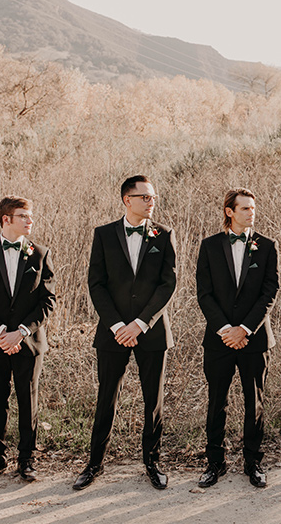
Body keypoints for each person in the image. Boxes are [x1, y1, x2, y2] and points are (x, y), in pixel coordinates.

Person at [73, 175, 176, 491]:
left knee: (153, 401)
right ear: (126, 200)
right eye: (144, 197)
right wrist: (118, 325)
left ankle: (153, 463)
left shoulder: (164, 234)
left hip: (151, 330)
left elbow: (167, 283)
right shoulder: (103, 235)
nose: (150, 202)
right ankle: (94, 464)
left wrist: (141, 323)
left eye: (153, 197)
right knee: (106, 397)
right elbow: (96, 284)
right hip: (112, 332)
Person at [0, 196, 54, 484]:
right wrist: (1, 332)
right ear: (6, 219)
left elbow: (48, 302)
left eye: (31, 215)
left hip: (29, 342)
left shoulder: (40, 253)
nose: (30, 221)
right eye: (23, 216)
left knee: (29, 401)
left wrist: (23, 331)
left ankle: (27, 461)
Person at [195, 188, 279, 488]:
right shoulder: (209, 246)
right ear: (229, 211)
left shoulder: (267, 246)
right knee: (217, 401)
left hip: (254, 339)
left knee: (254, 401)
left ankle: (253, 462)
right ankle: (214, 463)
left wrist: (244, 329)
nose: (251, 212)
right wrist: (225, 330)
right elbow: (204, 293)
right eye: (244, 208)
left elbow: (270, 292)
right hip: (219, 339)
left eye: (253, 208)